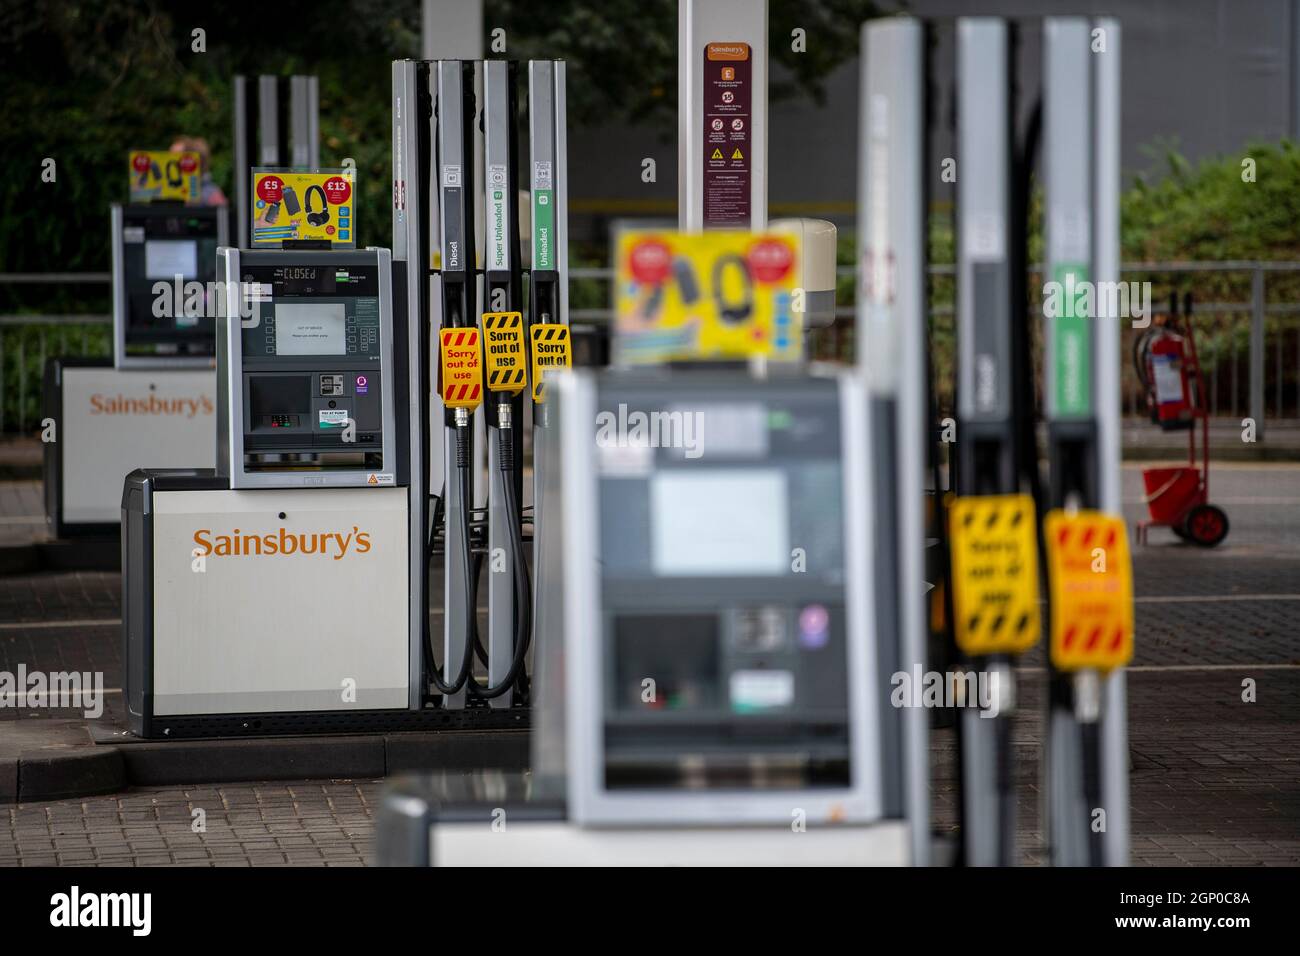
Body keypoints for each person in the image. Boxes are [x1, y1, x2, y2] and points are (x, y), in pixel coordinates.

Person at [169, 136, 227, 206]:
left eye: (176, 160)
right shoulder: (167, 192)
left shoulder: (211, 194)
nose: (171, 165)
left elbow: (222, 214)